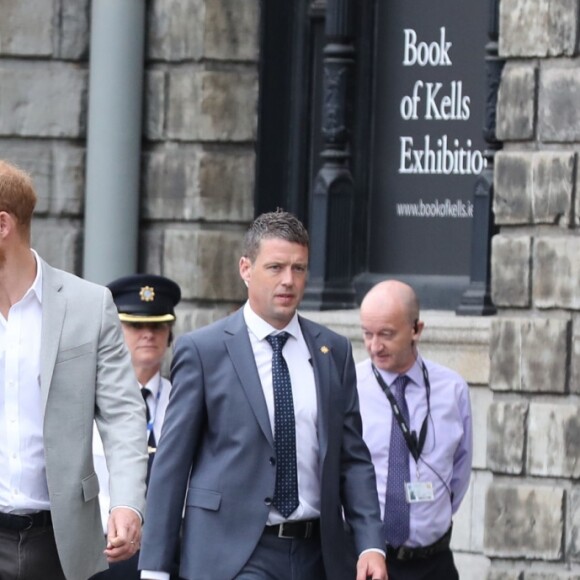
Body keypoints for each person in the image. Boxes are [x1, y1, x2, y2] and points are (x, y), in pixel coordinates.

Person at [139, 210, 387, 580]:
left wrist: (370, 544)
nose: (288, 281)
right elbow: (172, 465)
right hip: (233, 555)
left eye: (299, 269)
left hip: (317, 554)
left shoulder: (333, 352)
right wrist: (155, 569)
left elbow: (352, 458)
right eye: (275, 267)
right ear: (245, 268)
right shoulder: (204, 351)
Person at [0, 159, 148, 580]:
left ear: (3, 225)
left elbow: (122, 414)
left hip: (59, 541)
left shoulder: (89, 304)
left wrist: (127, 502)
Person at [356, 280, 473, 580]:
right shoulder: (348, 387)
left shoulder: (452, 389)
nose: (374, 346)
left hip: (434, 562)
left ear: (416, 330)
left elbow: (458, 472)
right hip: (368, 562)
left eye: (386, 334)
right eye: (367, 334)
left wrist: (430, 517)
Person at [92, 273, 182, 580]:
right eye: (135, 325)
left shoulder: (184, 402)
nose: (148, 334)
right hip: (105, 551)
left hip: (172, 551)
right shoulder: (90, 402)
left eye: (158, 325)